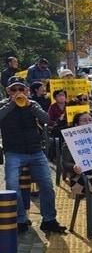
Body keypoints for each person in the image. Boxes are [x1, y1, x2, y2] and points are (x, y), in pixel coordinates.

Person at [0, 80, 64, 233]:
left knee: (47, 186)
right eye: (14, 89)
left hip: (35, 151)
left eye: (20, 89)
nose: (17, 91)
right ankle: (20, 219)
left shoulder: (33, 104)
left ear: (27, 90)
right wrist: (12, 104)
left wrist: (29, 105)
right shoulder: (3, 104)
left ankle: (49, 219)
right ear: (8, 91)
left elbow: (46, 119)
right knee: (12, 186)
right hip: (13, 152)